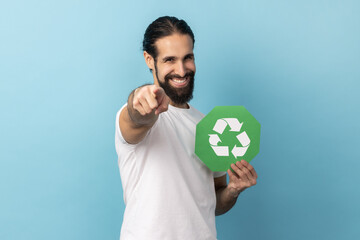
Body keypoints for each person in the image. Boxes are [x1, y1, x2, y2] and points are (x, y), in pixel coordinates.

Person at [115, 16, 258, 240]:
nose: (181, 70)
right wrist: (141, 97)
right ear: (149, 60)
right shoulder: (138, 113)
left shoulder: (210, 126)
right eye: (170, 60)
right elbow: (135, 117)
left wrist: (233, 190)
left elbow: (213, 202)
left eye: (187, 58)